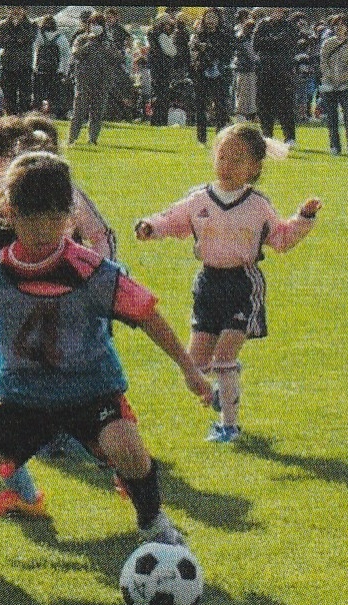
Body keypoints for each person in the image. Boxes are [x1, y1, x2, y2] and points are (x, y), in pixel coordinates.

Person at [0, 151, 213, 580]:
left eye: (53, 220)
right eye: (31, 220)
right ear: (9, 215)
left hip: (90, 391)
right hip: (20, 395)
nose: (42, 231)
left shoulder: (91, 271)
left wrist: (188, 367)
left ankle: (152, 521)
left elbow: (145, 313)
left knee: (128, 447)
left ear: (69, 217)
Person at [135, 124, 321, 442]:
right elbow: (172, 219)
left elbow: (281, 239)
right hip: (207, 284)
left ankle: (229, 425)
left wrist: (303, 219)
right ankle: (225, 387)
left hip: (242, 285)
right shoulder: (199, 199)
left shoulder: (257, 205)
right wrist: (150, 226)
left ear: (254, 168)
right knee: (195, 366)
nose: (227, 166)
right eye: (222, 157)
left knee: (224, 356)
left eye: (237, 160)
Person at [68, 12, 117, 146]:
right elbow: (76, 54)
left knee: (97, 112)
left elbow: (116, 58)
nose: (96, 27)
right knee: (79, 111)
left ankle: (93, 138)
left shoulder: (108, 42)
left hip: (102, 80)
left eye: (99, 24)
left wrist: (104, 45)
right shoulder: (81, 39)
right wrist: (91, 42)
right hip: (84, 79)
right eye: (93, 24)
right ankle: (72, 138)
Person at [252, 7, 300, 146]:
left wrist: (268, 42)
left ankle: (289, 137)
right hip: (264, 71)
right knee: (264, 105)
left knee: (285, 105)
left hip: (283, 71)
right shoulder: (262, 24)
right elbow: (256, 44)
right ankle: (267, 135)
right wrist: (275, 41)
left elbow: (288, 43)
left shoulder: (290, 25)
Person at [189, 8, 233, 145]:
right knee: (200, 107)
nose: (211, 20)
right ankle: (201, 139)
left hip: (219, 74)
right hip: (201, 73)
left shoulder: (224, 34)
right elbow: (193, 50)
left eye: (214, 17)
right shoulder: (199, 34)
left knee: (220, 106)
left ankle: (220, 137)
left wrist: (208, 48)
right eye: (208, 17)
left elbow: (226, 52)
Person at [318, 14, 348, 155]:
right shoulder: (328, 43)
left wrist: (342, 78)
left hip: (347, 85)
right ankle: (334, 145)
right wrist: (330, 76)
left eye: (342, 25)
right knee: (331, 117)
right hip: (329, 84)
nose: (339, 28)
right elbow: (323, 62)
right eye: (336, 25)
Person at [0, 6, 36, 116]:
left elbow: (27, 39)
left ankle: (24, 123)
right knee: (8, 98)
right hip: (7, 66)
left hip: (24, 66)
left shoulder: (32, 24)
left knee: (25, 99)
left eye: (19, 8)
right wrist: (14, 36)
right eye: (13, 8)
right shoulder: (2, 24)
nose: (15, 11)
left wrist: (16, 29)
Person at [31, 14, 69, 117]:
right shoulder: (61, 37)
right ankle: (53, 113)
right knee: (54, 95)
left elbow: (34, 52)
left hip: (40, 70)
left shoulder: (39, 36)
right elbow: (66, 56)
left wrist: (34, 67)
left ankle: (37, 112)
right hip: (56, 71)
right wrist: (65, 72)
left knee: (38, 95)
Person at [231, 19, 258, 122]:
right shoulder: (243, 39)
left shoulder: (243, 38)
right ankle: (241, 115)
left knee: (248, 93)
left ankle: (248, 115)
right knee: (243, 93)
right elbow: (251, 55)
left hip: (246, 68)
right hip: (244, 68)